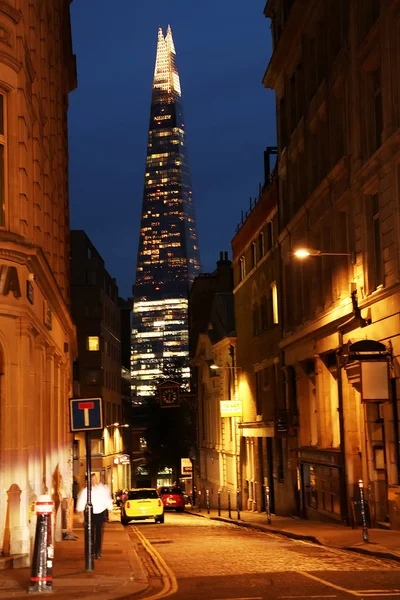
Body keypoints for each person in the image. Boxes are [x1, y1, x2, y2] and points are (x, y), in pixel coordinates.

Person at [76, 473, 114, 559]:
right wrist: (81, 515)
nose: (94, 481)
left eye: (95, 479)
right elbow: (81, 502)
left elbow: (107, 499)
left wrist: (110, 508)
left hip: (100, 513)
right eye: (92, 479)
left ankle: (98, 552)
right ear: (89, 481)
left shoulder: (103, 489)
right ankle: (91, 552)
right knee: (90, 533)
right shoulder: (86, 490)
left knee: (99, 533)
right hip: (90, 514)